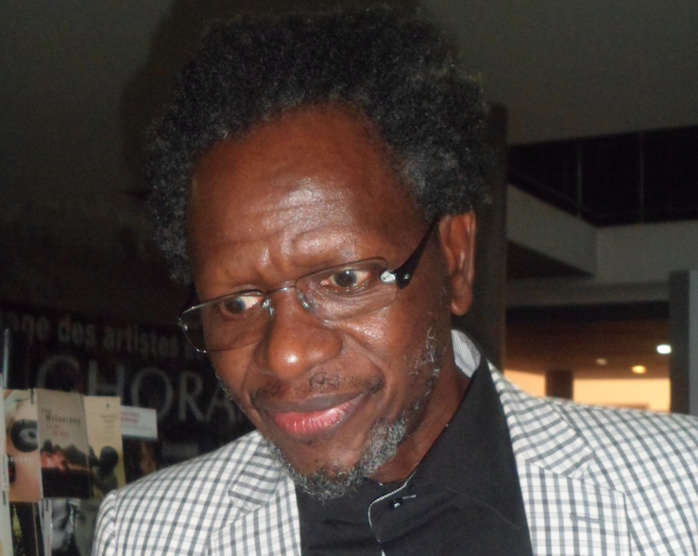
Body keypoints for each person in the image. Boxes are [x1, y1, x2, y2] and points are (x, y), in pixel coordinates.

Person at [93, 7, 698, 555]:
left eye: (344, 278)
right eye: (237, 303)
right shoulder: (148, 533)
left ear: (455, 256)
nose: (285, 354)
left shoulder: (680, 489)